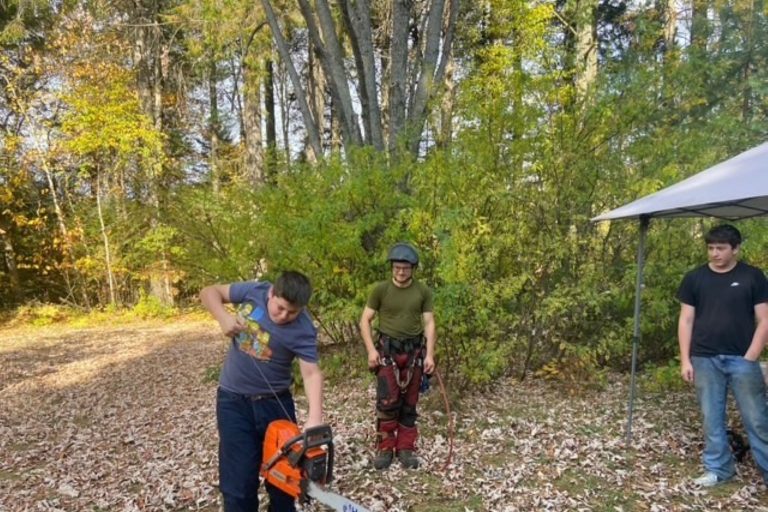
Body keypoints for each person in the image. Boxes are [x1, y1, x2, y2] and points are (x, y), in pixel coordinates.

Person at [200, 271, 324, 511]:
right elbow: (208, 292)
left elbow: (311, 373)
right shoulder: (254, 291)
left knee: (284, 482)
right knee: (238, 487)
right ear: (271, 293)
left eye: (292, 312)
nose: (284, 316)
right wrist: (223, 317)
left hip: (275, 405)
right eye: (280, 308)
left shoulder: (304, 328)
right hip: (233, 402)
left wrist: (315, 418)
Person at [677, 224, 768, 487]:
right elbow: (686, 320)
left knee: (757, 418)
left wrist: (751, 355)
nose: (714, 253)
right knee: (711, 417)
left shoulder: (753, 276)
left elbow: (764, 320)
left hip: (742, 358)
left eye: (720, 248)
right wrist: (685, 359)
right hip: (705, 358)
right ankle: (719, 469)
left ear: (735, 249)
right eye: (711, 248)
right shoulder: (695, 278)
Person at [360, 242, 436, 470]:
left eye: (405, 268)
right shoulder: (380, 290)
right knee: (387, 401)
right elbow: (365, 320)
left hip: (414, 352)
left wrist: (430, 355)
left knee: (410, 403)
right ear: (392, 267)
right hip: (387, 351)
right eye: (397, 267)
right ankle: (385, 448)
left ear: (413, 268)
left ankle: (405, 448)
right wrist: (371, 350)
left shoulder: (423, 291)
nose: (401, 272)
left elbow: (429, 323)